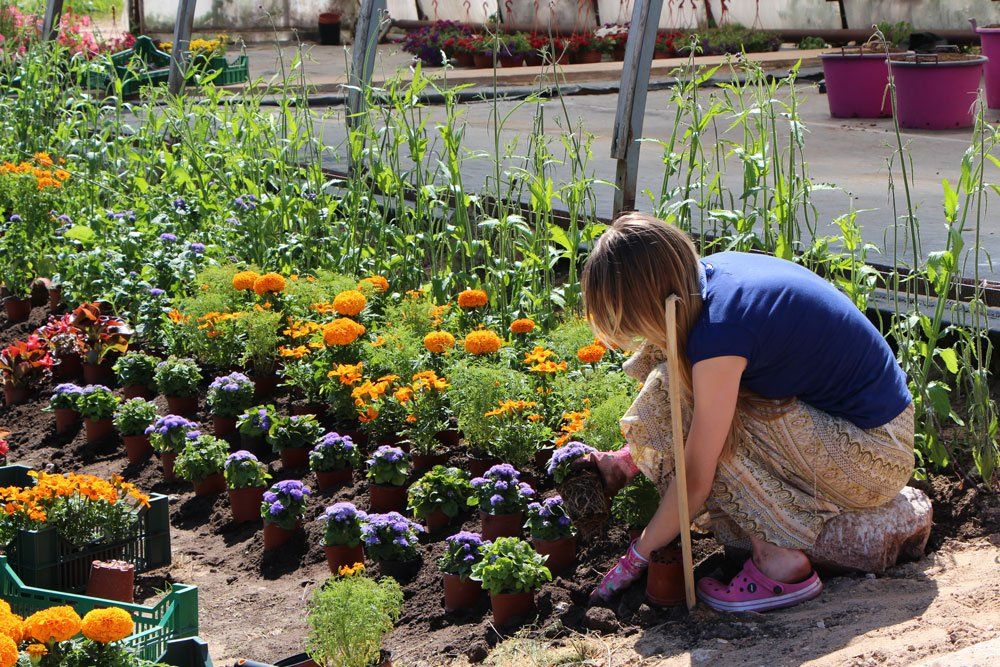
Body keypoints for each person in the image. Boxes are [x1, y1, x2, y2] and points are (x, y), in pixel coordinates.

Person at [582, 213, 915, 612]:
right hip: (867, 422)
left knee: (703, 428)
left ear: (646, 300)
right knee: (676, 372)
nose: (633, 332)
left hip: (876, 455)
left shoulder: (720, 332)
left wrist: (636, 558)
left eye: (632, 320)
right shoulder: (705, 279)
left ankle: (779, 564)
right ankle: (626, 463)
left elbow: (695, 479)